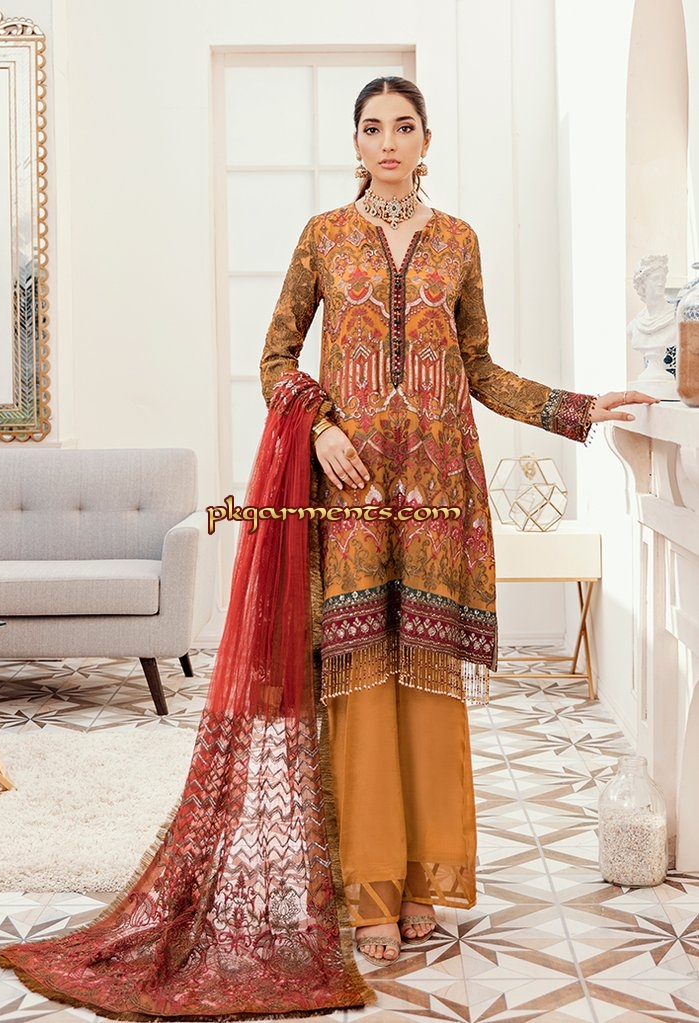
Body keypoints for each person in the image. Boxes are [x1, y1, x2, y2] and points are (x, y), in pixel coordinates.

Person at [259, 75, 658, 965]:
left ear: (425, 140)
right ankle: (367, 887)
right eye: (372, 128)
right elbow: (276, 356)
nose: (387, 142)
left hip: (438, 491)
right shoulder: (323, 237)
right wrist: (318, 428)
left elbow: (478, 367)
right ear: (354, 143)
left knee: (426, 682)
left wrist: (577, 407)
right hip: (354, 494)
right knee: (362, 679)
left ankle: (423, 881)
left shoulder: (457, 241)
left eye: (403, 126)